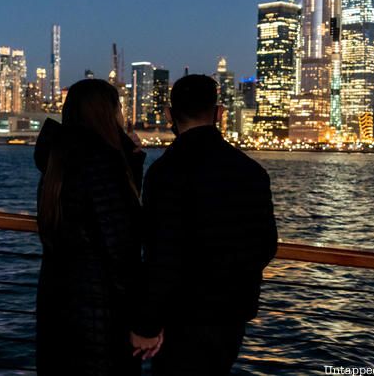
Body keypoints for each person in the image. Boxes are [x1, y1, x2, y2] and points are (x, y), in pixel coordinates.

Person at [131, 74, 277, 376]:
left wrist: (147, 324)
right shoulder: (252, 172)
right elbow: (266, 245)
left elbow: (162, 256)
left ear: (169, 115)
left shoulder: (163, 173)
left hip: (181, 317)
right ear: (219, 113)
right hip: (231, 314)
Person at [34, 79, 145, 376]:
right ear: (105, 113)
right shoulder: (100, 161)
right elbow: (121, 244)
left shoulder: (57, 161)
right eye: (118, 109)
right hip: (98, 315)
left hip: (57, 307)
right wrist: (142, 322)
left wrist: (131, 163)